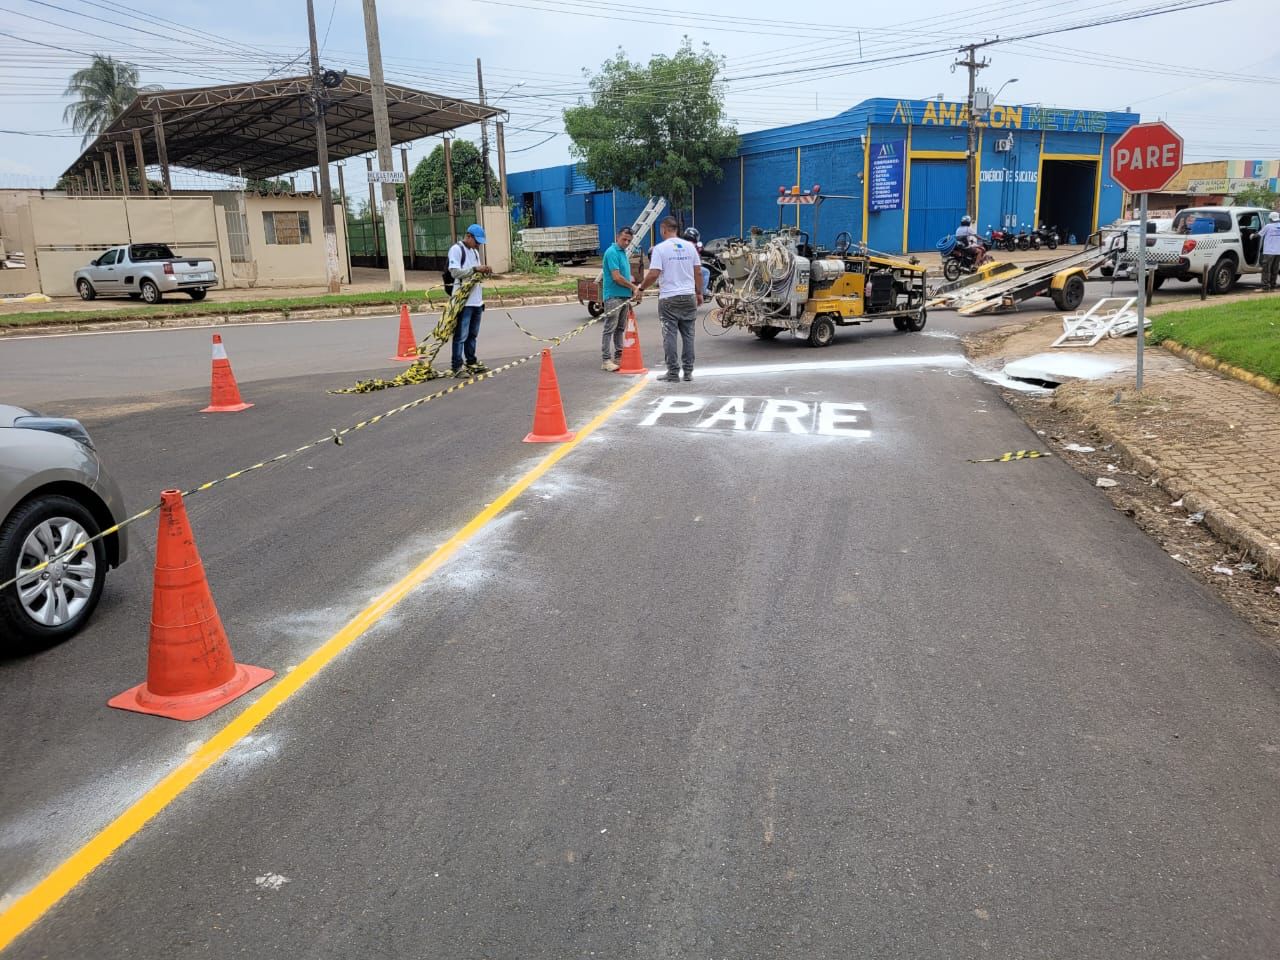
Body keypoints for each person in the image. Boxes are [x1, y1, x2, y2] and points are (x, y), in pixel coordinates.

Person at [636, 216, 702, 383]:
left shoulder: (660, 249)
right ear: (677, 230)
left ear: (663, 229)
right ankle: (688, 372)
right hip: (688, 296)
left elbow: (653, 273)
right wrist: (699, 293)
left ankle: (673, 372)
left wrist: (641, 288)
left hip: (669, 298)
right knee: (688, 335)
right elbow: (698, 272)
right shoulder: (690, 247)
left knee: (670, 335)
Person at [447, 224, 494, 377]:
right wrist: (475, 269)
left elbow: (476, 275)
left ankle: (471, 361)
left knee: (473, 334)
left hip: (476, 301)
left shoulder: (474, 252)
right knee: (461, 335)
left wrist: (485, 271)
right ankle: (457, 367)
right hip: (464, 302)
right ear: (468, 236)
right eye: (477, 241)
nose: (479, 245)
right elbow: (455, 273)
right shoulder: (456, 250)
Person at [600, 225, 638, 371]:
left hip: (624, 296)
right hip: (613, 296)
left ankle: (619, 356)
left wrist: (631, 290)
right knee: (609, 328)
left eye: (629, 240)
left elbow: (624, 275)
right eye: (624, 239)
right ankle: (606, 360)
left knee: (620, 328)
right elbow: (616, 277)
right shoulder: (612, 252)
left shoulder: (623, 253)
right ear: (617, 237)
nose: (626, 243)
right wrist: (633, 287)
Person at [1259, 211, 1280, 291]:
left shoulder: (1268, 226)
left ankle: (1265, 287)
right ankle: (1272, 287)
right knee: (1274, 269)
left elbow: (1260, 234)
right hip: (1278, 252)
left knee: (1266, 269)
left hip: (1269, 252)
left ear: (1270, 219)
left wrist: (1252, 235)